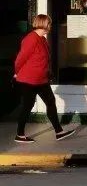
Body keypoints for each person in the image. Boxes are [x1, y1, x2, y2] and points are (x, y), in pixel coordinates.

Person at [13, 14, 76, 144]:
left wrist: (48, 73)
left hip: (41, 80)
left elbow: (44, 59)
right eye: (49, 23)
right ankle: (19, 134)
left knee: (50, 102)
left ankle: (59, 132)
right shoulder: (31, 39)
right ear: (43, 24)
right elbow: (20, 59)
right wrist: (16, 72)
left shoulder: (42, 39)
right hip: (29, 80)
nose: (50, 26)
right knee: (27, 106)